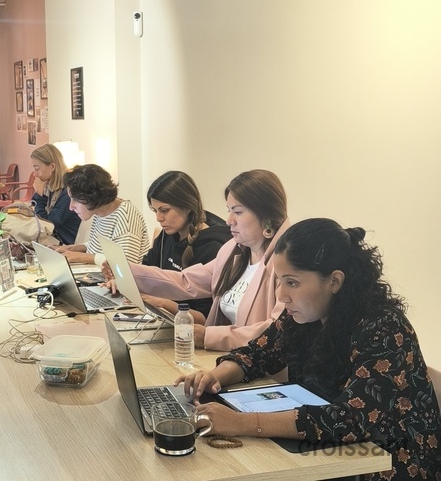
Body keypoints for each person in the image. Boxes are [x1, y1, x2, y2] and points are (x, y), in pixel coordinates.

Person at [177, 218, 441, 480]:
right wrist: (214, 378)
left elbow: (350, 419)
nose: (282, 295)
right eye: (279, 281)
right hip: (328, 449)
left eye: (292, 282)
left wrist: (241, 423)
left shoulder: (383, 327)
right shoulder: (304, 313)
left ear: (334, 281)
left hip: (388, 460)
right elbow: (257, 354)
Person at [128, 169, 289, 351]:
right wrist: (128, 273)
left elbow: (276, 331)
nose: (229, 221)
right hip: (228, 357)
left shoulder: (288, 263)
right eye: (229, 211)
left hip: (259, 369)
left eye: (237, 212)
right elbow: (186, 282)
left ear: (266, 216)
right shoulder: (232, 250)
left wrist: (209, 336)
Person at [139, 171, 232, 321]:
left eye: (164, 210)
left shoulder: (213, 248)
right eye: (155, 210)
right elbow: (147, 270)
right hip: (165, 321)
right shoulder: (168, 234)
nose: (158, 218)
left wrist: (162, 303)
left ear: (187, 206)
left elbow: (206, 318)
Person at [56, 164, 149, 265]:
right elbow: (101, 247)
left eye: (75, 199)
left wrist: (80, 257)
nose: (71, 207)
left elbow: (125, 265)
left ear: (92, 196)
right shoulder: (99, 212)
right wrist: (72, 248)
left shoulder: (126, 217)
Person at [30, 144, 81, 245]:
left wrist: (39, 196)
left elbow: (47, 224)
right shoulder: (53, 188)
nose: (35, 174)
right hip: (54, 239)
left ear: (52, 166)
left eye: (37, 168)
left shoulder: (67, 192)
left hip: (64, 243)